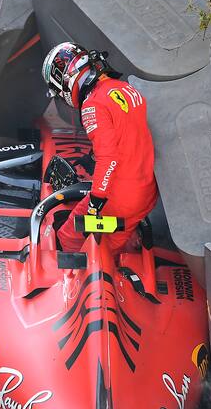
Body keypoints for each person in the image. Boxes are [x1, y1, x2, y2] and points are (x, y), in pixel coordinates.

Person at [42, 42, 159, 252]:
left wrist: (95, 203)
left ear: (66, 80)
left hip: (120, 196)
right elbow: (127, 135)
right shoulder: (124, 88)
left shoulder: (92, 105)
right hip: (147, 191)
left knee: (69, 239)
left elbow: (109, 158)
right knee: (109, 245)